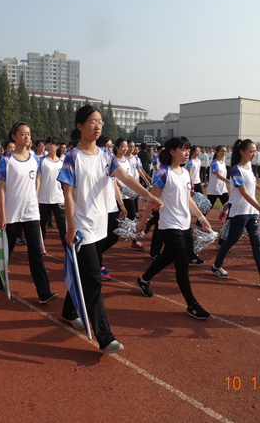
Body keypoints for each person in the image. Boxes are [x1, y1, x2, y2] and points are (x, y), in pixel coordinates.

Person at [58, 105, 162, 353]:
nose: (97, 126)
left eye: (100, 122)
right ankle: (105, 337)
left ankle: (68, 310)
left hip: (99, 226)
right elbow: (68, 195)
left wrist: (147, 196)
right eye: (92, 122)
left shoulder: (106, 157)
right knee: (94, 279)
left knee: (86, 275)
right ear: (80, 126)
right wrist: (71, 226)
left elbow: (126, 178)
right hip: (81, 228)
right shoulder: (73, 157)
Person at [134, 136, 211, 319]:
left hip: (185, 225)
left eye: (188, 149)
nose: (187, 153)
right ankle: (191, 304)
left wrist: (201, 217)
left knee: (166, 257)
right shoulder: (162, 173)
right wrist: (143, 223)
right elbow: (150, 200)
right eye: (183, 149)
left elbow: (188, 199)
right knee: (182, 264)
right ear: (172, 152)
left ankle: (143, 280)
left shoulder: (185, 173)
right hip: (169, 226)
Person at [0, 122, 58, 304]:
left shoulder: (36, 160)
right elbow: (2, 190)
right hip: (12, 213)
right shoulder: (6, 160)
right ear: (14, 136)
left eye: (29, 134)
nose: (27, 137)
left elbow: (37, 178)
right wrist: (2, 215)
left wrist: (35, 196)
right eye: (23, 134)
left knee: (35, 253)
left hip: (31, 212)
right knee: (8, 249)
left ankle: (44, 292)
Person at [210, 139, 260, 286]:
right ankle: (216, 266)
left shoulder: (248, 166)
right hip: (239, 212)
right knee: (231, 241)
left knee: (257, 243)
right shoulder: (236, 170)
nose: (254, 154)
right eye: (251, 151)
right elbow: (243, 192)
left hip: (252, 212)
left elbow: (251, 185)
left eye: (255, 151)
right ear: (242, 152)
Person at [96, 136, 126, 281]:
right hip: (99, 207)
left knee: (113, 235)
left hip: (112, 206)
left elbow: (114, 184)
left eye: (110, 146)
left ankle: (94, 257)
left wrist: (121, 204)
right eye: (106, 146)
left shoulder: (111, 161)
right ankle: (98, 265)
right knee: (100, 237)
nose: (109, 149)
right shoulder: (95, 162)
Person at [114, 138, 144, 251]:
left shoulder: (127, 160)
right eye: (123, 146)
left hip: (128, 194)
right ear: (116, 148)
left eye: (126, 146)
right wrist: (120, 187)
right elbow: (114, 178)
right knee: (114, 217)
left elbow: (130, 177)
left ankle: (134, 240)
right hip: (117, 194)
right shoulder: (114, 161)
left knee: (132, 217)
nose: (125, 148)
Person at [38, 136, 67, 251]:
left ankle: (67, 250)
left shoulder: (62, 163)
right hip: (43, 199)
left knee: (63, 226)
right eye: (47, 143)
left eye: (51, 144)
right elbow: (38, 179)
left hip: (58, 198)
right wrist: (35, 196)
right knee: (41, 226)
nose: (48, 146)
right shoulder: (41, 161)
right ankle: (40, 247)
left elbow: (65, 183)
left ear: (57, 146)